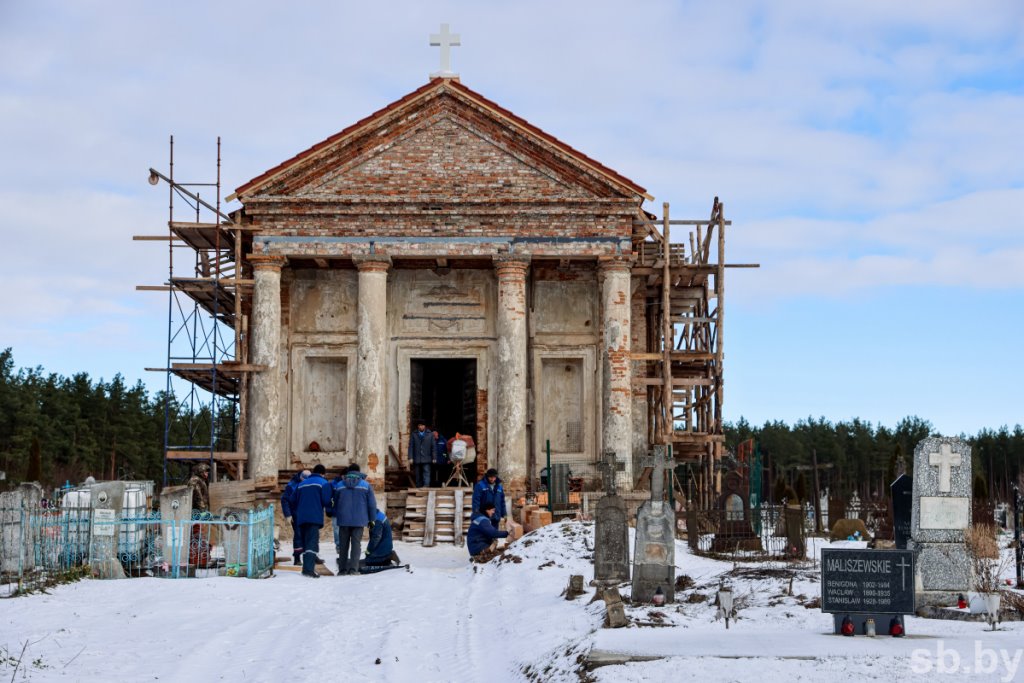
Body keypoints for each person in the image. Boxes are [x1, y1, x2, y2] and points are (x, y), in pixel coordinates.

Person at [331, 464, 377, 575]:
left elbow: (335, 503)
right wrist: (372, 519)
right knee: (356, 545)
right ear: (359, 472)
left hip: (343, 520)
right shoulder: (366, 485)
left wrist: (338, 513)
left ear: (348, 472)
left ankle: (342, 570)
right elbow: (372, 504)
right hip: (359, 520)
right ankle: (353, 569)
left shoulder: (339, 485)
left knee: (343, 545)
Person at [288, 464, 332, 578]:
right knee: (311, 543)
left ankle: (306, 567)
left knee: (305, 542)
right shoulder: (324, 483)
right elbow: (326, 501)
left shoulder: (301, 484)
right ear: (323, 474)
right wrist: (329, 510)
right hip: (314, 517)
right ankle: (308, 570)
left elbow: (292, 499)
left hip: (301, 517)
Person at [281, 469, 310, 566]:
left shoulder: (309, 482)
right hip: (296, 514)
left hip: (308, 513)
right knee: (298, 535)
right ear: (301, 477)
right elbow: (285, 500)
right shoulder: (292, 485)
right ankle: (297, 558)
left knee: (309, 535)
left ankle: (311, 556)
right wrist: (288, 514)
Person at [408, 421, 435, 488]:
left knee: (426, 471)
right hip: (417, 457)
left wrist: (434, 457)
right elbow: (411, 446)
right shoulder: (414, 434)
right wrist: (410, 457)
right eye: (420, 425)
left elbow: (433, 447)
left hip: (426, 457)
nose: (421, 427)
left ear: (425, 426)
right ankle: (418, 486)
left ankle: (426, 486)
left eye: (423, 425)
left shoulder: (430, 434)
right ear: (418, 426)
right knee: (417, 473)